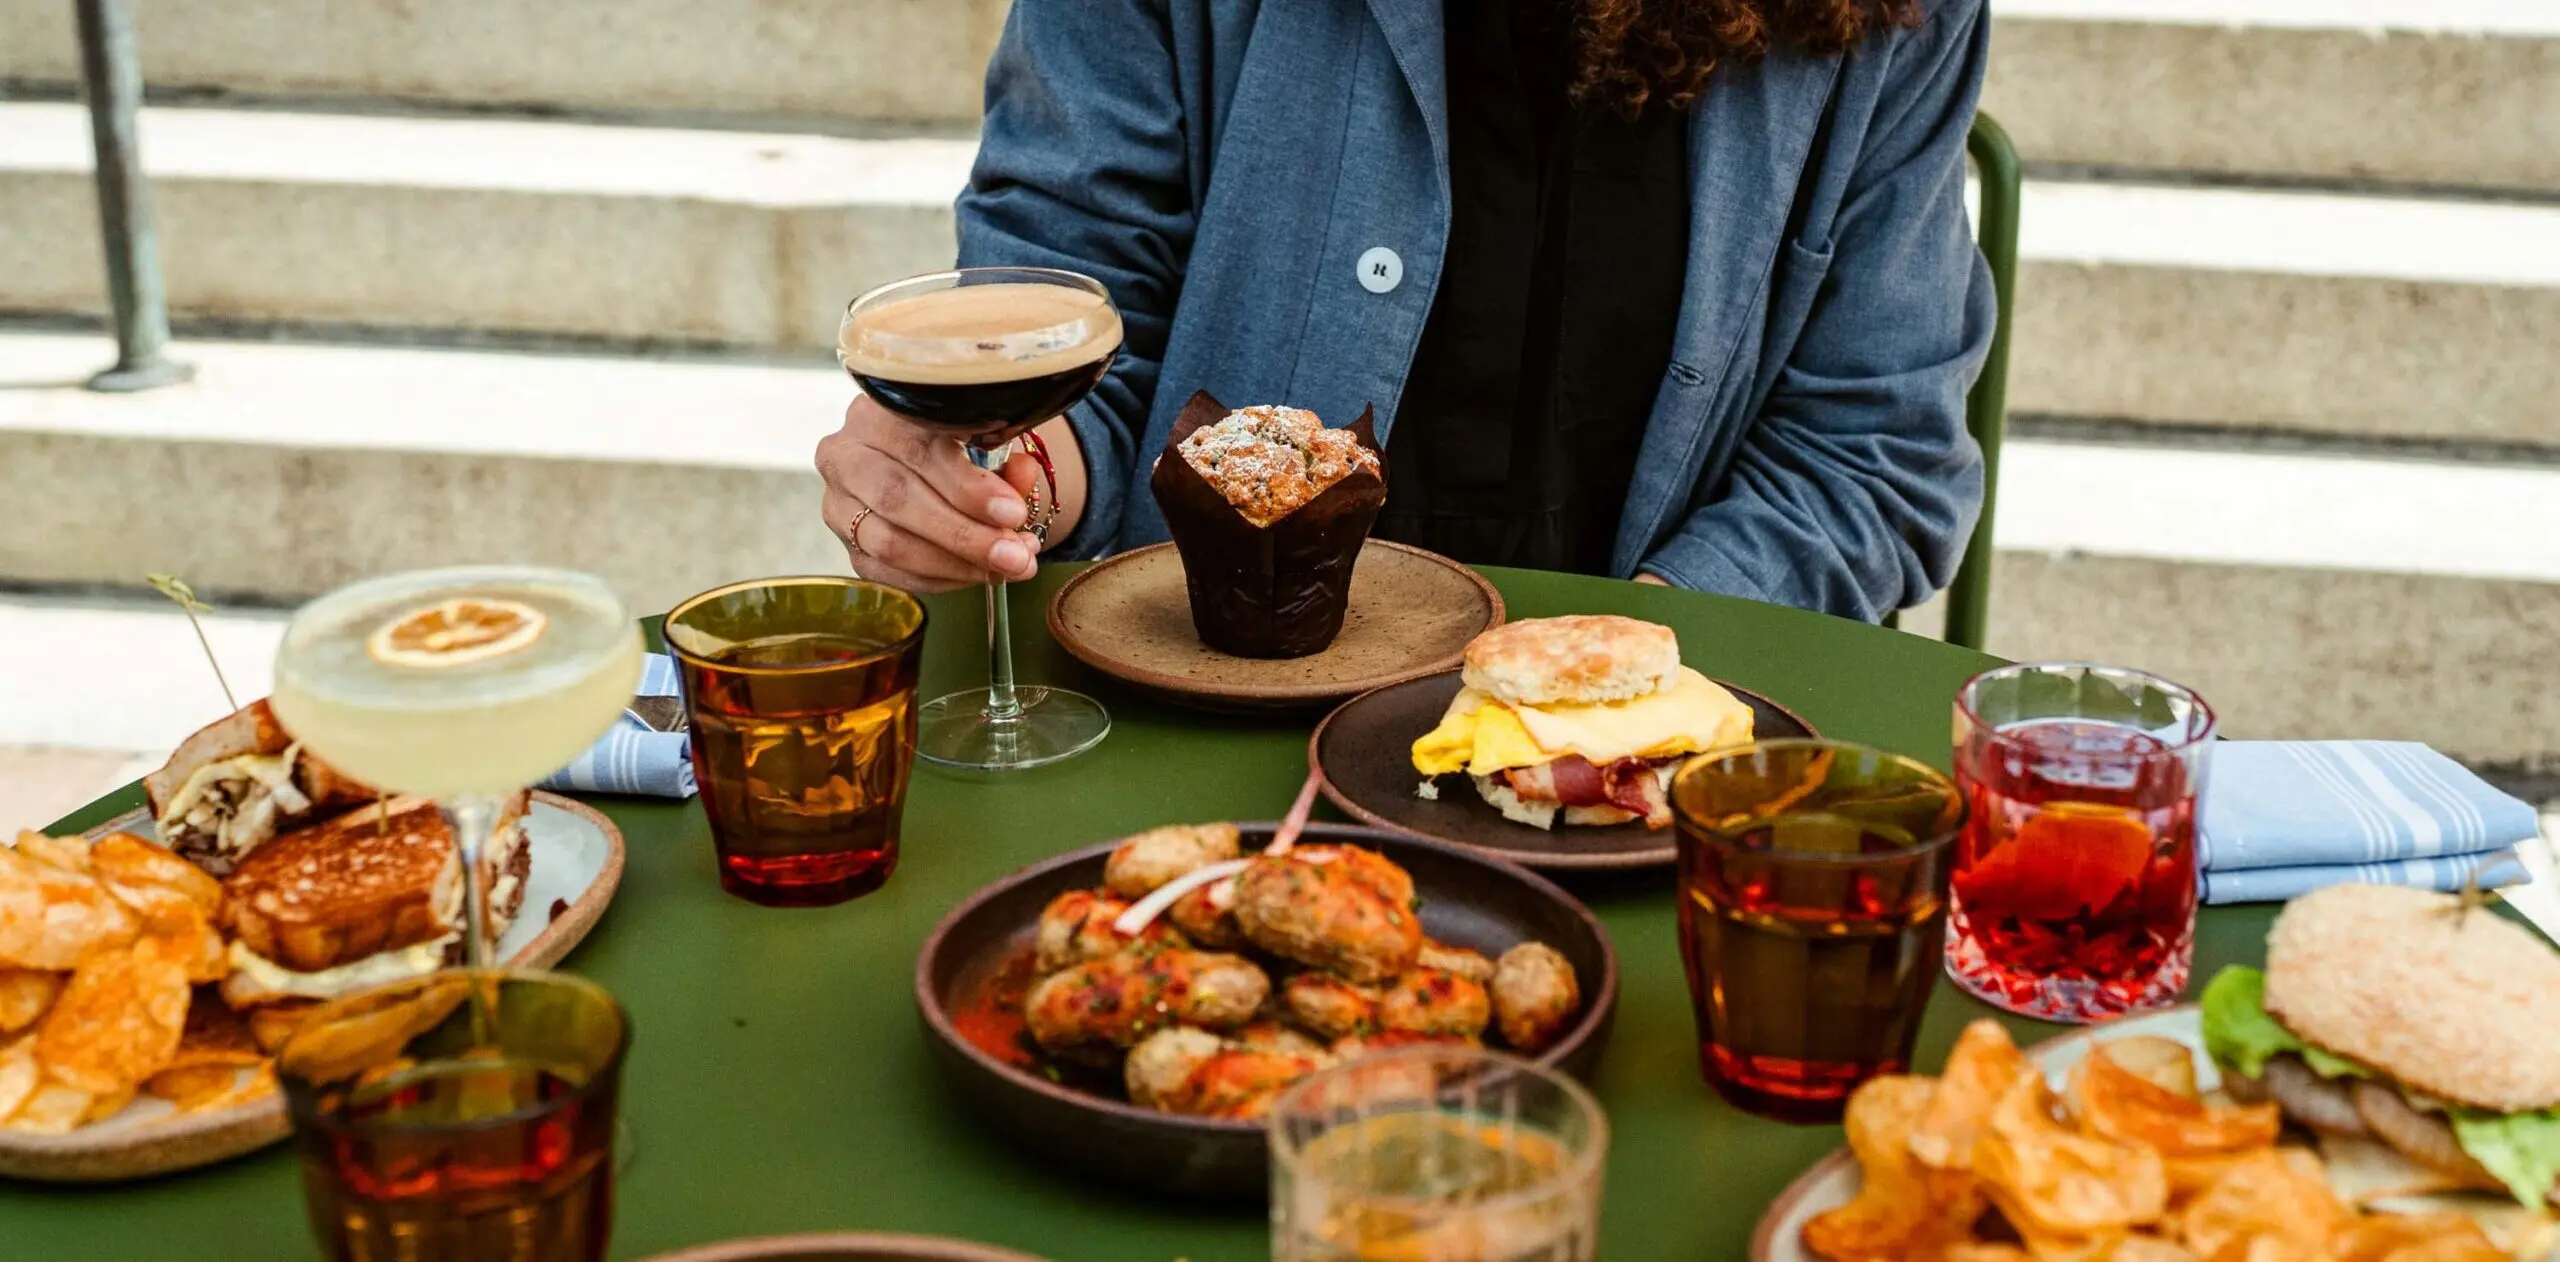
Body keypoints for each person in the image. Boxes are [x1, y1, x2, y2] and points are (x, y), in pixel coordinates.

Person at [815, 0, 1992, 623]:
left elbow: (1871, 453)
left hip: (1665, 768)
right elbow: (1075, 311)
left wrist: (1599, 673)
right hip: (1204, 715)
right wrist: (999, 478)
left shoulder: (1893, 16)